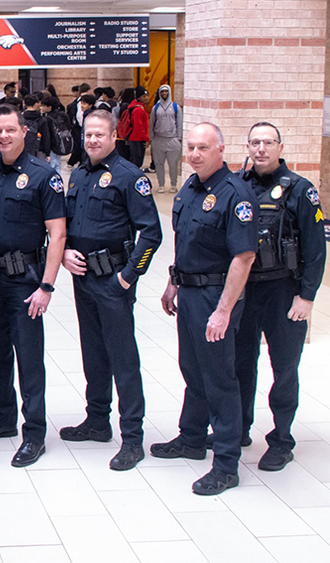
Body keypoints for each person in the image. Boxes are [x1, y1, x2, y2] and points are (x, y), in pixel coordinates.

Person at [153, 123, 258, 496]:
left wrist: (224, 310)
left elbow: (244, 257)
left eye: (203, 147)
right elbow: (188, 243)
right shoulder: (190, 187)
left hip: (216, 296)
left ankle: (227, 464)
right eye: (191, 147)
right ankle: (192, 437)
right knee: (192, 370)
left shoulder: (234, 194)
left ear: (221, 150)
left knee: (220, 380)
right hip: (190, 292)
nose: (195, 153)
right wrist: (173, 282)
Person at [59, 110, 162, 471]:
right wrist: (65, 252)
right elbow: (69, 225)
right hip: (83, 277)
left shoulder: (129, 177)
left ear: (114, 136)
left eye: (99, 135)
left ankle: (132, 437)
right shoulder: (79, 176)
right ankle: (97, 421)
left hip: (113, 279)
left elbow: (151, 233)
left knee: (123, 359)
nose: (92, 141)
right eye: (88, 135)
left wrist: (128, 277)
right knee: (93, 353)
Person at [0, 105, 66, 469]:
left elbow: (57, 234)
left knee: (29, 358)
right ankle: (2, 417)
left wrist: (47, 286)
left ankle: (34, 432)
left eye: (10, 130)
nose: (3, 137)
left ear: (25, 131)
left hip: (26, 280)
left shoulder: (44, 176)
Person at [230, 122, 325, 471]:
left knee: (284, 367)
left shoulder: (300, 190)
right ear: (248, 146)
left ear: (280, 147)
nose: (261, 149)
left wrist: (307, 297)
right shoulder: (237, 187)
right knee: (241, 364)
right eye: (255, 142)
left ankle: (282, 440)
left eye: (268, 142)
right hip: (245, 291)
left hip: (284, 292)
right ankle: (238, 430)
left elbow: (316, 250)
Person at [150, 85, 182, 193]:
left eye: (166, 91)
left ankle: (173, 184)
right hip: (159, 139)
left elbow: (179, 123)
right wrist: (151, 138)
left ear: (169, 92)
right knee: (159, 164)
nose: (164, 93)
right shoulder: (156, 108)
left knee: (173, 164)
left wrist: (179, 138)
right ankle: (161, 185)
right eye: (162, 91)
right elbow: (152, 123)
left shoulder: (175, 107)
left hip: (172, 138)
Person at [125, 86, 150, 168]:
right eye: (144, 96)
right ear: (139, 98)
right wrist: (146, 138)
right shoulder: (138, 110)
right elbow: (139, 127)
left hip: (136, 138)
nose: (146, 98)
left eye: (147, 96)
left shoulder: (138, 107)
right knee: (137, 162)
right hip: (137, 138)